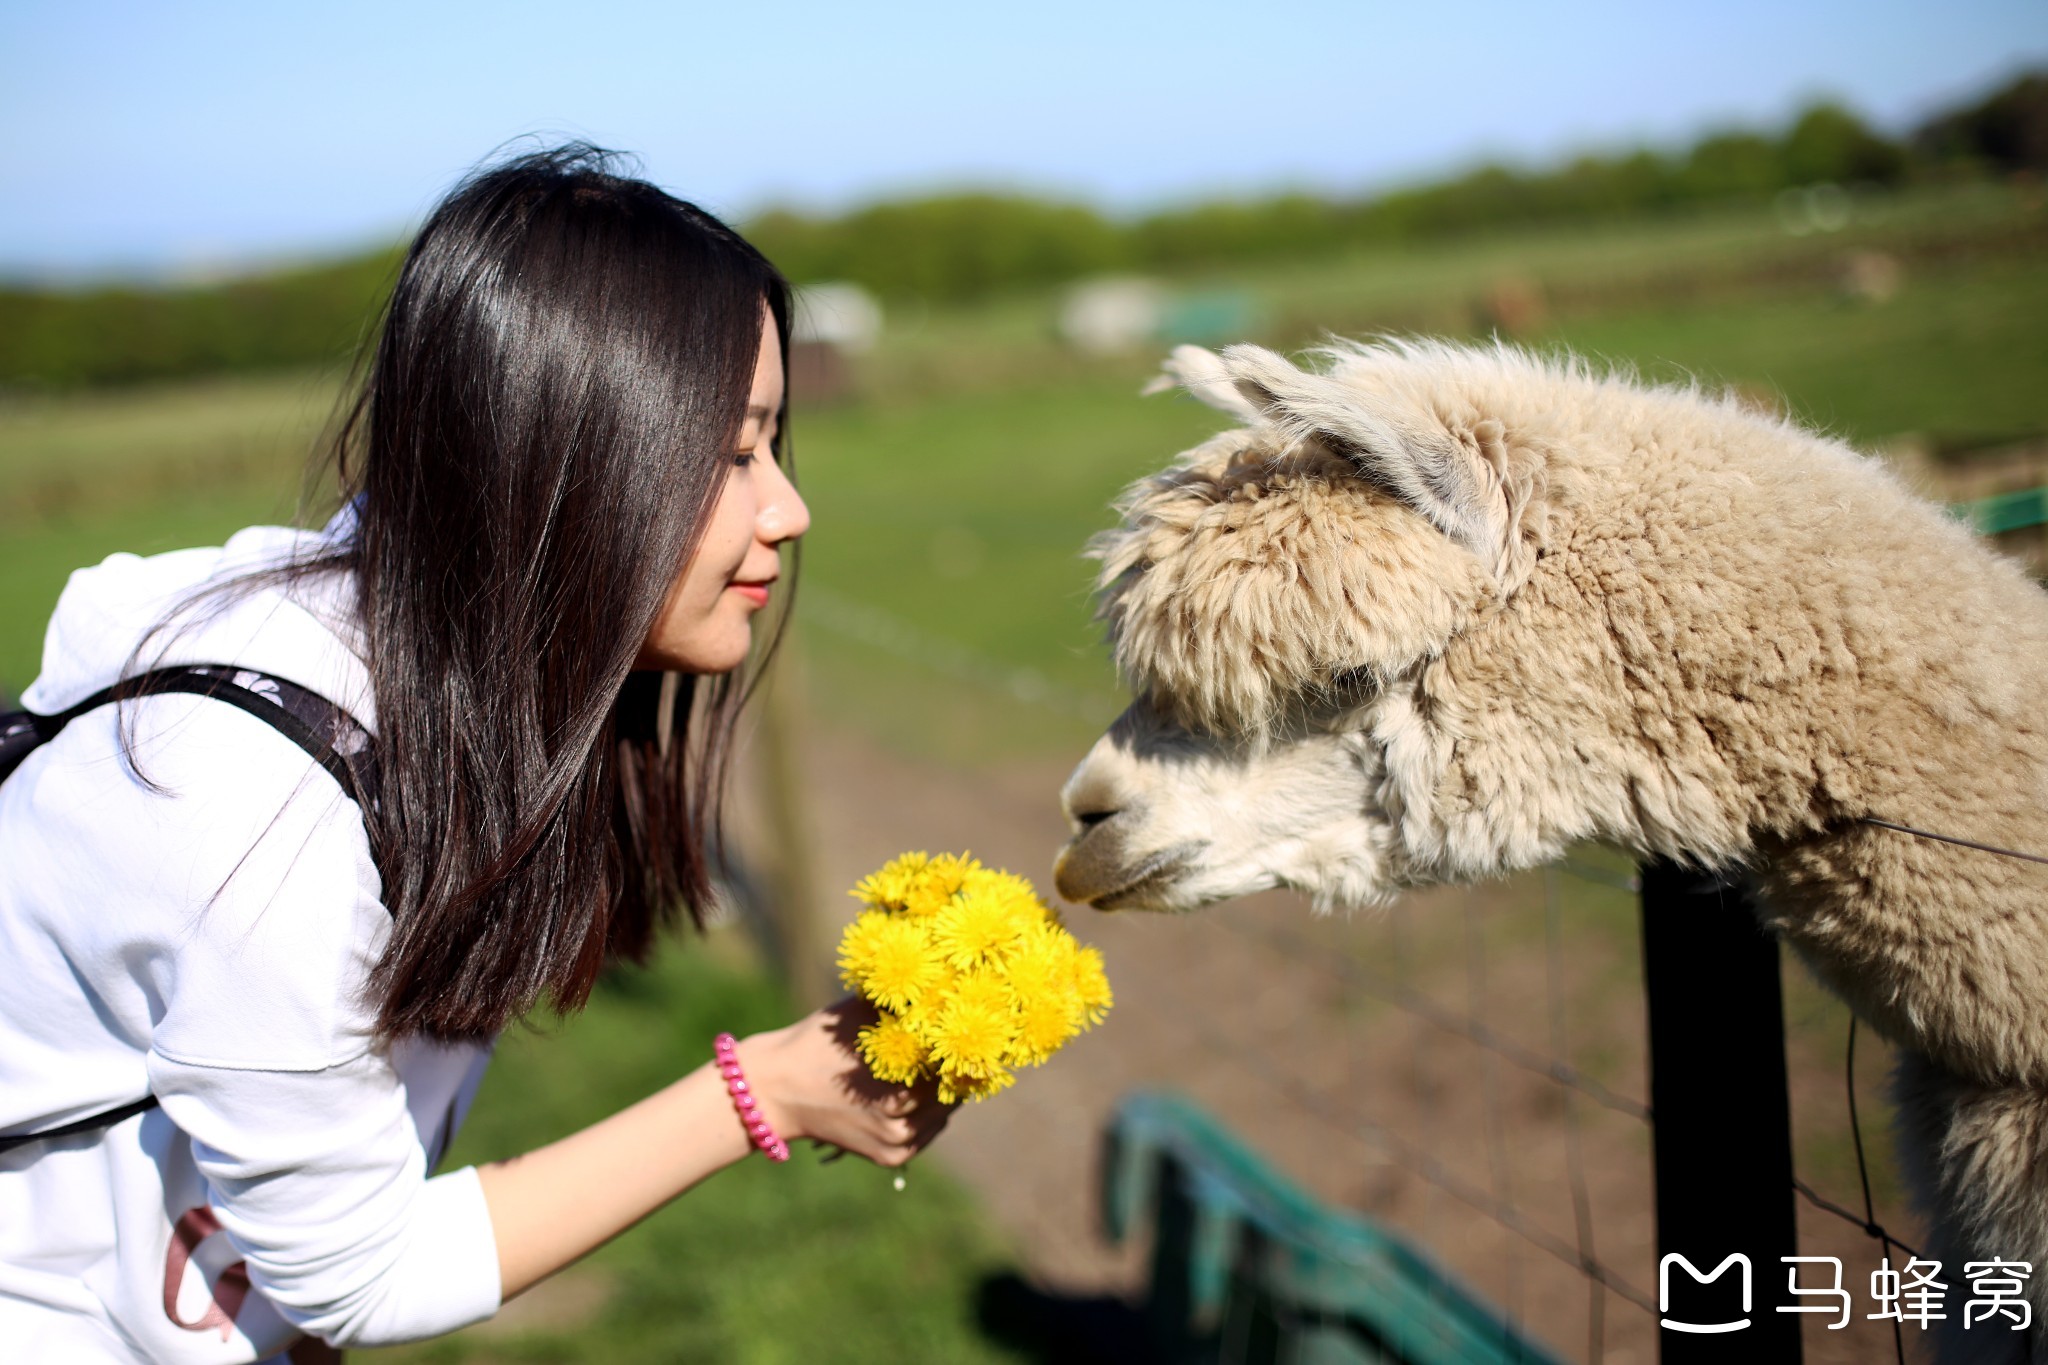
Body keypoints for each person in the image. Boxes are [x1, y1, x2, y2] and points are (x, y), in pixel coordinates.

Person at [0, 145, 950, 1362]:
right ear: (567, 463)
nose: (786, 508)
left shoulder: (404, 666)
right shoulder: (251, 816)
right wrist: (756, 1094)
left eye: (771, 447)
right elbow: (359, 1273)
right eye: (731, 454)